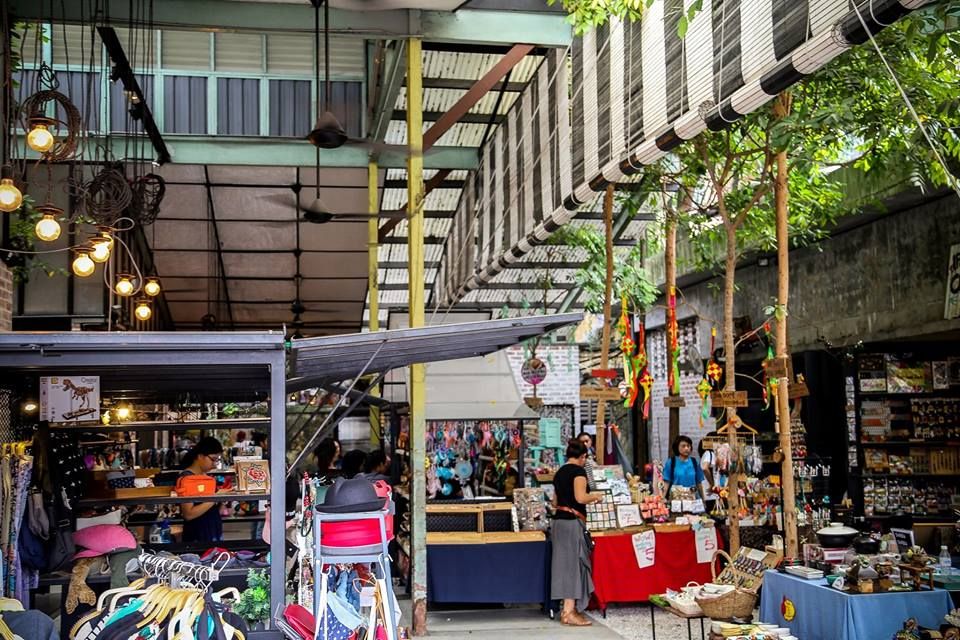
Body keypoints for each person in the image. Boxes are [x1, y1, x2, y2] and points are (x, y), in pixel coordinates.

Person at [551, 439, 604, 627]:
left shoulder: (558, 473)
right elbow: (580, 497)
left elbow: (554, 502)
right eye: (585, 458)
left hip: (558, 522)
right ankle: (569, 611)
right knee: (573, 566)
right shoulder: (578, 472)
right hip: (572, 523)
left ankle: (567, 608)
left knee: (563, 566)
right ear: (582, 457)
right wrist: (596, 496)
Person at [180, 437, 224, 543]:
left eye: (217, 460)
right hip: (197, 536)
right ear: (200, 456)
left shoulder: (206, 477)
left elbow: (215, 509)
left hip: (212, 531)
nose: (215, 464)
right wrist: (216, 497)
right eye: (213, 459)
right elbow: (188, 514)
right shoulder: (187, 478)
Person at [663, 435, 706, 503]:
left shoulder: (695, 462)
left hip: (693, 499)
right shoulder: (671, 462)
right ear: (677, 447)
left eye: (688, 446)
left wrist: (703, 499)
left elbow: (699, 483)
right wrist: (662, 498)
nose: (686, 448)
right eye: (683, 446)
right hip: (676, 501)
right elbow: (666, 482)